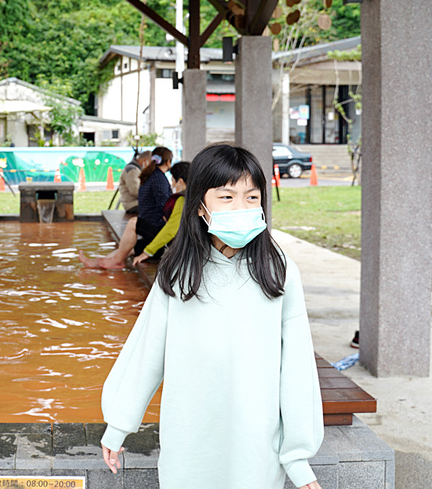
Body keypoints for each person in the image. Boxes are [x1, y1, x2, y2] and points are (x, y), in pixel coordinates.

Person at [99, 143, 323, 489]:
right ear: (200, 206)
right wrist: (118, 425)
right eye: (227, 197)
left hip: (257, 440)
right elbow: (146, 352)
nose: (242, 207)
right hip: (189, 437)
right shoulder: (178, 273)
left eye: (252, 198)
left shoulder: (279, 272)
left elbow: (296, 369)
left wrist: (296, 457)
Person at [80, 161, 190, 269]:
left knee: (134, 223)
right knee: (131, 248)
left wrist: (147, 252)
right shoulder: (191, 197)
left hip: (175, 248)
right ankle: (100, 264)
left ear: (180, 181)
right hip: (176, 246)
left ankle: (114, 261)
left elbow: (170, 231)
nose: (172, 184)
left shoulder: (181, 200)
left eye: (172, 180)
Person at [118, 150, 152, 214]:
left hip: (136, 203)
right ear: (145, 160)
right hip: (133, 204)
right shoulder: (132, 170)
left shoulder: (136, 169)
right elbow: (135, 190)